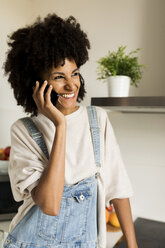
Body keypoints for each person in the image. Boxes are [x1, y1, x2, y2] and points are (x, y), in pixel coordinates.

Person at [3, 13, 138, 248]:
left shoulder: (98, 120)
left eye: (74, 73)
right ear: (36, 83)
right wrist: (60, 125)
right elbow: (50, 205)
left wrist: (133, 244)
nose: (71, 85)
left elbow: (118, 187)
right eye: (58, 77)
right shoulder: (24, 131)